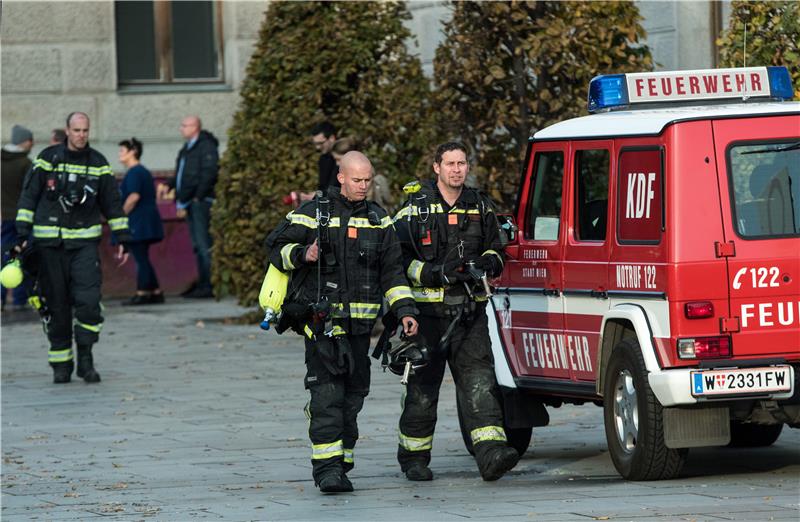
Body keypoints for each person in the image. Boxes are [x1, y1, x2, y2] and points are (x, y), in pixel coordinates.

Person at [267, 151, 419, 493]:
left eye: (367, 180)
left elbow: (393, 273)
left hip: (360, 331)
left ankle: (342, 463)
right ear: (341, 177)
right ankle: (326, 471)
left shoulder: (381, 221)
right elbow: (275, 246)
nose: (363, 186)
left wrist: (406, 311)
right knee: (326, 396)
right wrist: (302, 254)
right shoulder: (313, 214)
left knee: (354, 397)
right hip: (321, 325)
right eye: (357, 180)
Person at [392, 141, 517, 482]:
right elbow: (396, 260)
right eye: (450, 163)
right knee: (421, 390)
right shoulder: (414, 209)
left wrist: (488, 262)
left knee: (480, 383)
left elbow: (498, 247)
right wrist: (436, 273)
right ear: (436, 168)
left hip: (469, 314)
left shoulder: (480, 205)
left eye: (462, 163)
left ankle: (491, 454)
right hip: (427, 317)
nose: (457, 169)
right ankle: (414, 458)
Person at [14, 112, 131, 383]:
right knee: (55, 306)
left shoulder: (98, 164)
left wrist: (122, 237)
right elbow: (29, 196)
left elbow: (112, 204)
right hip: (50, 245)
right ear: (67, 130)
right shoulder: (47, 158)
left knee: (89, 303)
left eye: (85, 130)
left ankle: (86, 359)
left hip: (84, 245)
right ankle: (61, 364)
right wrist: (22, 233)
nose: (81, 135)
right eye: (77, 130)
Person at [157, 116, 219, 298]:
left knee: (203, 244)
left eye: (184, 125)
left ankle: (209, 285)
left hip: (199, 202)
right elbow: (182, 175)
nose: (181, 128)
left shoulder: (205, 146)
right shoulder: (187, 148)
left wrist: (198, 197)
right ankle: (202, 282)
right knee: (197, 245)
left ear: (195, 127)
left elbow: (209, 172)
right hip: (189, 201)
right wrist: (170, 184)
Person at [118, 138, 164, 305]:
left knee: (140, 257)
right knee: (142, 256)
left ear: (133, 152)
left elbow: (133, 196)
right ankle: (155, 291)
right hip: (146, 220)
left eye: (122, 151)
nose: (119, 155)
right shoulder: (141, 171)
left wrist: (121, 216)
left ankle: (143, 291)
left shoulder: (135, 172)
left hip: (139, 221)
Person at [1, 125, 34, 310]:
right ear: (25, 141)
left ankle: (0, 297)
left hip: (4, 217)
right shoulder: (26, 163)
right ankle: (21, 298)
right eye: (30, 140)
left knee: (4, 255)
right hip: (24, 217)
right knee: (24, 255)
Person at [310, 121, 339, 191]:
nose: (318, 147)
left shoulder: (349, 157)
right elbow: (322, 187)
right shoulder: (324, 159)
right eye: (315, 144)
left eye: (320, 143)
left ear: (332, 138)